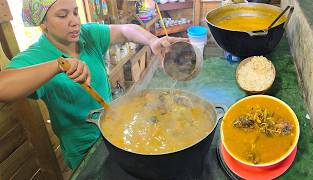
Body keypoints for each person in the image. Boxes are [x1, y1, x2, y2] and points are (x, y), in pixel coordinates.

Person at [0, 0, 187, 170]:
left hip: (114, 130)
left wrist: (152, 40)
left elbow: (125, 30)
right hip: (84, 150)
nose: (74, 21)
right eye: (63, 15)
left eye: (75, 12)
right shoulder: (37, 56)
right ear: (43, 23)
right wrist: (58, 65)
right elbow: (3, 87)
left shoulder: (87, 35)